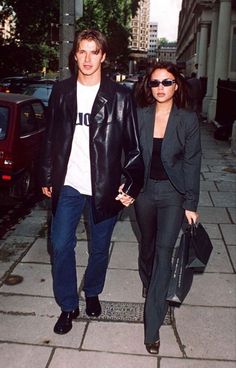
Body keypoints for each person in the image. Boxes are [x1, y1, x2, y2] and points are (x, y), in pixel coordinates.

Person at [40, 29, 144, 335]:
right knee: (60, 245)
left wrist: (131, 186)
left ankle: (93, 291)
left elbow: (134, 146)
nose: (87, 58)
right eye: (82, 52)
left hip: (105, 186)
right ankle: (68, 305)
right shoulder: (61, 91)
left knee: (99, 248)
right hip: (69, 183)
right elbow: (50, 138)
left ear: (103, 56)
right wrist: (47, 175)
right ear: (75, 56)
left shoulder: (120, 96)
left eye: (93, 52)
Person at [134, 61, 201, 354]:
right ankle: (151, 287)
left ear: (176, 85)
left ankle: (152, 326)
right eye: (155, 83)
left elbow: (192, 162)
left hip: (173, 195)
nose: (160, 88)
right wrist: (126, 188)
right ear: (149, 86)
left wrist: (191, 203)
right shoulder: (139, 116)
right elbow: (128, 156)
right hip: (144, 194)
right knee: (147, 249)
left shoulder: (187, 120)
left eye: (167, 82)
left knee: (164, 253)